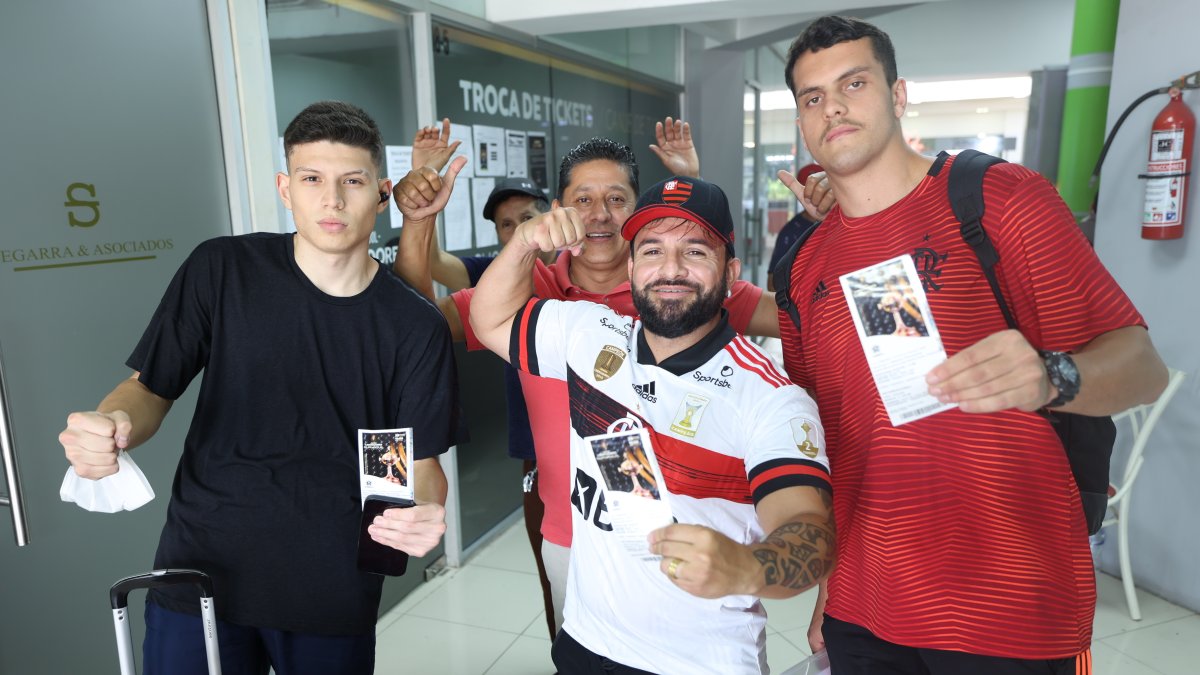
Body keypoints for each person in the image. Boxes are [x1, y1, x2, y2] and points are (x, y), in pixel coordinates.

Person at [776, 15, 1169, 674]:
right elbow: (831, 447)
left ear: (898, 95)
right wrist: (828, 588)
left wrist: (1050, 377)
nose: (833, 106)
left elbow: (1144, 368)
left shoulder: (998, 201)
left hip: (1009, 605)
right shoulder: (801, 267)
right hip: (864, 608)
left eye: (854, 83)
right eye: (813, 96)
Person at [58, 100, 460, 675]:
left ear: (381, 192)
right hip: (202, 568)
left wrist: (423, 509)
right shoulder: (223, 270)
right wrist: (113, 424)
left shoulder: (414, 325)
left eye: (352, 181)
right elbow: (149, 389)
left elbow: (416, 462)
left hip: (332, 580)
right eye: (312, 179)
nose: (332, 200)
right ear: (285, 188)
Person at [391, 120, 783, 634]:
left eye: (617, 199)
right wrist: (419, 220)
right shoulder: (523, 289)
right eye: (583, 200)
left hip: (678, 537)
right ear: (558, 208)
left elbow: (806, 318)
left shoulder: (676, 287)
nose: (600, 215)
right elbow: (417, 329)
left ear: (636, 211)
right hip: (571, 534)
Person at [469, 175, 836, 673]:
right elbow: (490, 319)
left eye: (695, 252)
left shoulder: (770, 398)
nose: (670, 269)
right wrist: (523, 243)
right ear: (631, 266)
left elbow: (810, 532)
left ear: (731, 273)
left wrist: (746, 567)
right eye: (652, 250)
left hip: (698, 663)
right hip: (585, 640)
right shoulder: (588, 333)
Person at [397, 119, 562, 639]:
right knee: (555, 574)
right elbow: (432, 273)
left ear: (553, 213)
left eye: (527, 217)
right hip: (541, 454)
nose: (517, 231)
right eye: (505, 225)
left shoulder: (590, 268)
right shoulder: (496, 275)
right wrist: (422, 200)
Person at [766, 162, 824, 292]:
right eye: (809, 191)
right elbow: (772, 284)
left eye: (821, 189)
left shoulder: (847, 222)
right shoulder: (790, 232)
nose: (817, 196)